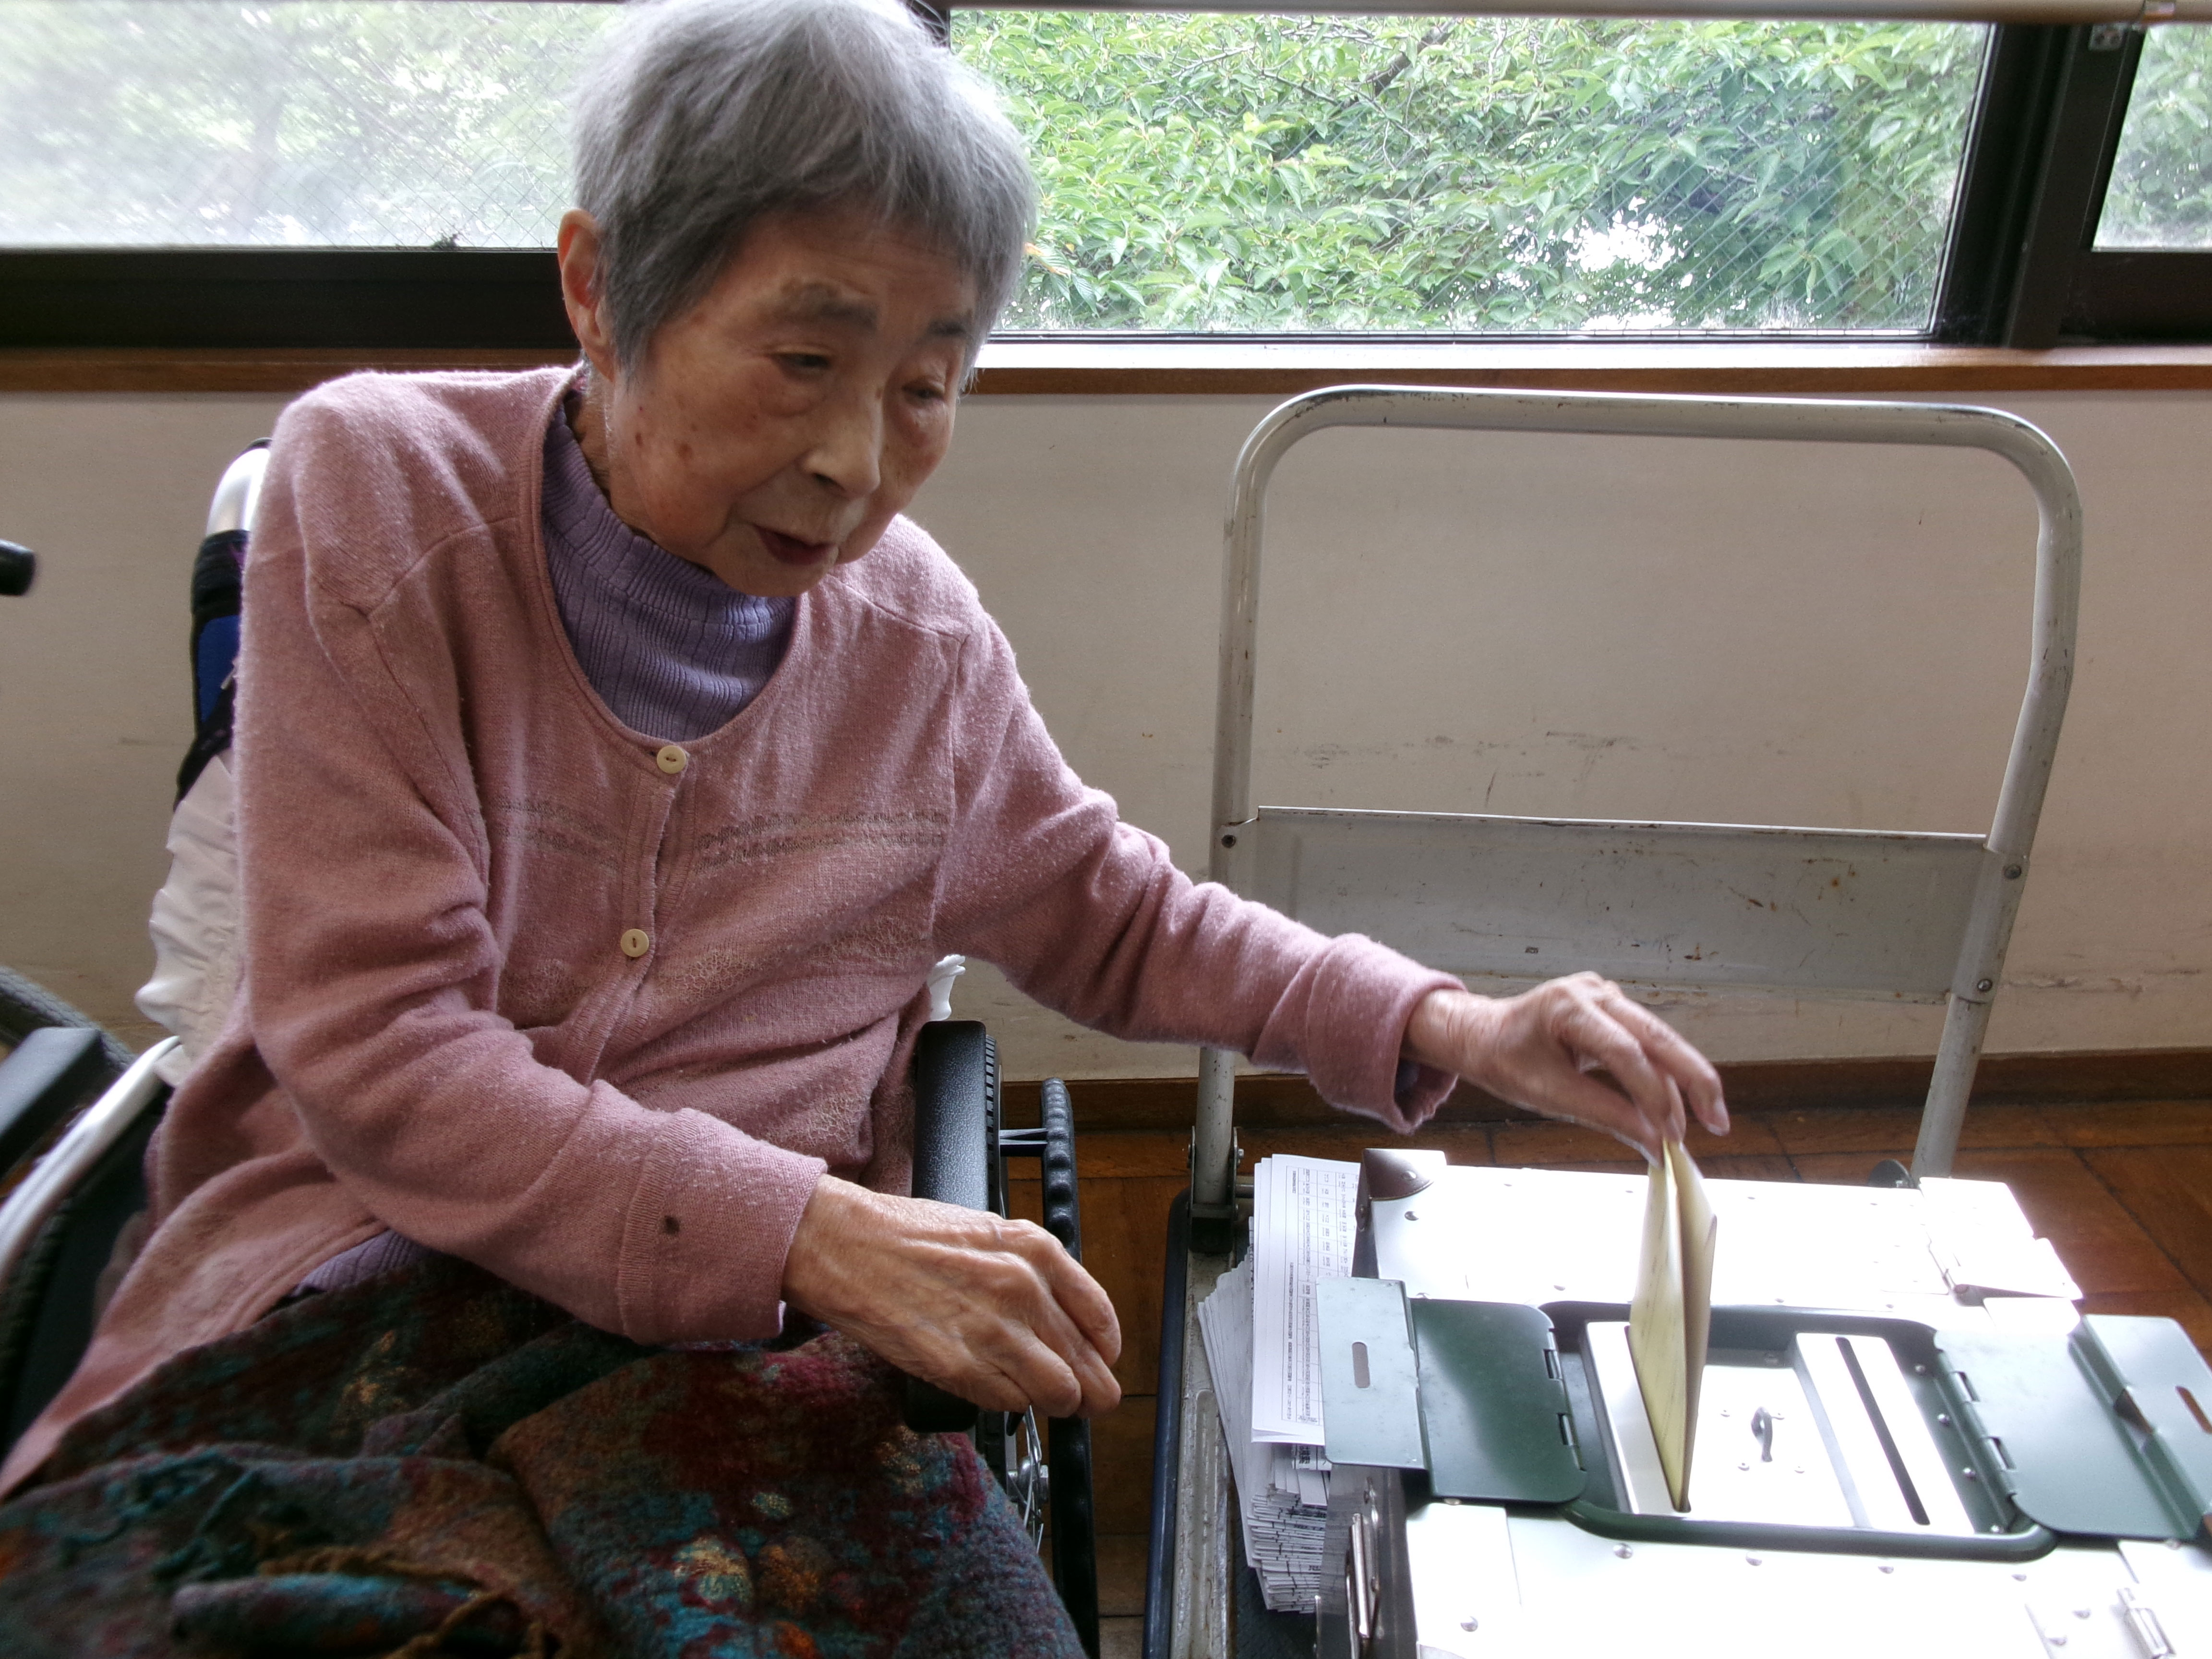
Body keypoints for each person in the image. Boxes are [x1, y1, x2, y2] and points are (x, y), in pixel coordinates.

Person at [0, 0, 1725, 1651]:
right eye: (806, 359)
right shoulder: (379, 489)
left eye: (926, 385)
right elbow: (380, 1049)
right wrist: (815, 1234)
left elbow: (1114, 913)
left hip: (746, 1355)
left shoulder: (916, 642)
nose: (855, 460)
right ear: (600, 290)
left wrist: (1456, 1022)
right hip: (366, 1277)